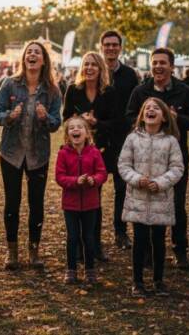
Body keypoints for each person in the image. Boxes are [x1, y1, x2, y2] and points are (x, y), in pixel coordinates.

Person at [126, 47, 189, 269]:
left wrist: (176, 119)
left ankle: (180, 250)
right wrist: (145, 122)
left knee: (176, 204)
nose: (158, 66)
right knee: (147, 204)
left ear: (171, 66)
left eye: (163, 63)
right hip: (144, 158)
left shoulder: (184, 91)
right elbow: (129, 117)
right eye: (155, 62)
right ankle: (148, 251)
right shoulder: (140, 91)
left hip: (175, 157)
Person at [0, 41, 62, 270]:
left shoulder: (52, 90)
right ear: (24, 58)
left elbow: (56, 123)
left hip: (38, 154)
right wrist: (10, 116)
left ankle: (34, 252)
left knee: (36, 203)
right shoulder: (10, 84)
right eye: (29, 52)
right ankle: (12, 253)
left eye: (37, 53)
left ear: (44, 60)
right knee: (12, 202)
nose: (32, 55)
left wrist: (46, 118)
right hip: (11, 153)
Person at [118, 97, 184, 297]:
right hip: (137, 198)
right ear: (142, 115)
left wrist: (161, 182)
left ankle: (158, 280)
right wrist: (137, 179)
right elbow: (123, 165)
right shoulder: (132, 139)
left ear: (164, 117)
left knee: (158, 240)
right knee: (139, 240)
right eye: (147, 107)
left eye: (156, 108)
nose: (151, 110)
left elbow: (177, 167)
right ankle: (137, 282)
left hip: (160, 200)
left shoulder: (171, 141)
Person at [62, 51, 121, 261]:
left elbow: (117, 122)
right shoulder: (73, 90)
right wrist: (80, 121)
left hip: (100, 151)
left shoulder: (109, 92)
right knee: (75, 194)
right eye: (86, 64)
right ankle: (76, 246)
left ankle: (94, 246)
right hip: (75, 151)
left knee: (93, 199)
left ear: (100, 69)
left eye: (93, 65)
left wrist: (96, 123)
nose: (89, 68)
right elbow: (66, 118)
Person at [99, 30, 139, 250]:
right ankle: (93, 235)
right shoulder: (94, 71)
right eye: (107, 44)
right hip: (99, 140)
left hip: (124, 139)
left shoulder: (129, 75)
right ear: (101, 47)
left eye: (115, 45)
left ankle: (120, 232)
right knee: (94, 187)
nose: (111, 48)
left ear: (120, 48)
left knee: (122, 189)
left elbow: (136, 106)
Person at [55, 116, 107, 284]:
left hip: (91, 204)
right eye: (72, 128)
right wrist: (75, 182)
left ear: (87, 133)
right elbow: (60, 177)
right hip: (70, 204)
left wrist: (94, 180)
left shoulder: (94, 152)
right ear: (67, 134)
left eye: (80, 127)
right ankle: (71, 269)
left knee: (89, 237)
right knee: (72, 237)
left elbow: (102, 173)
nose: (76, 130)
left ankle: (90, 269)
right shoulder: (63, 153)